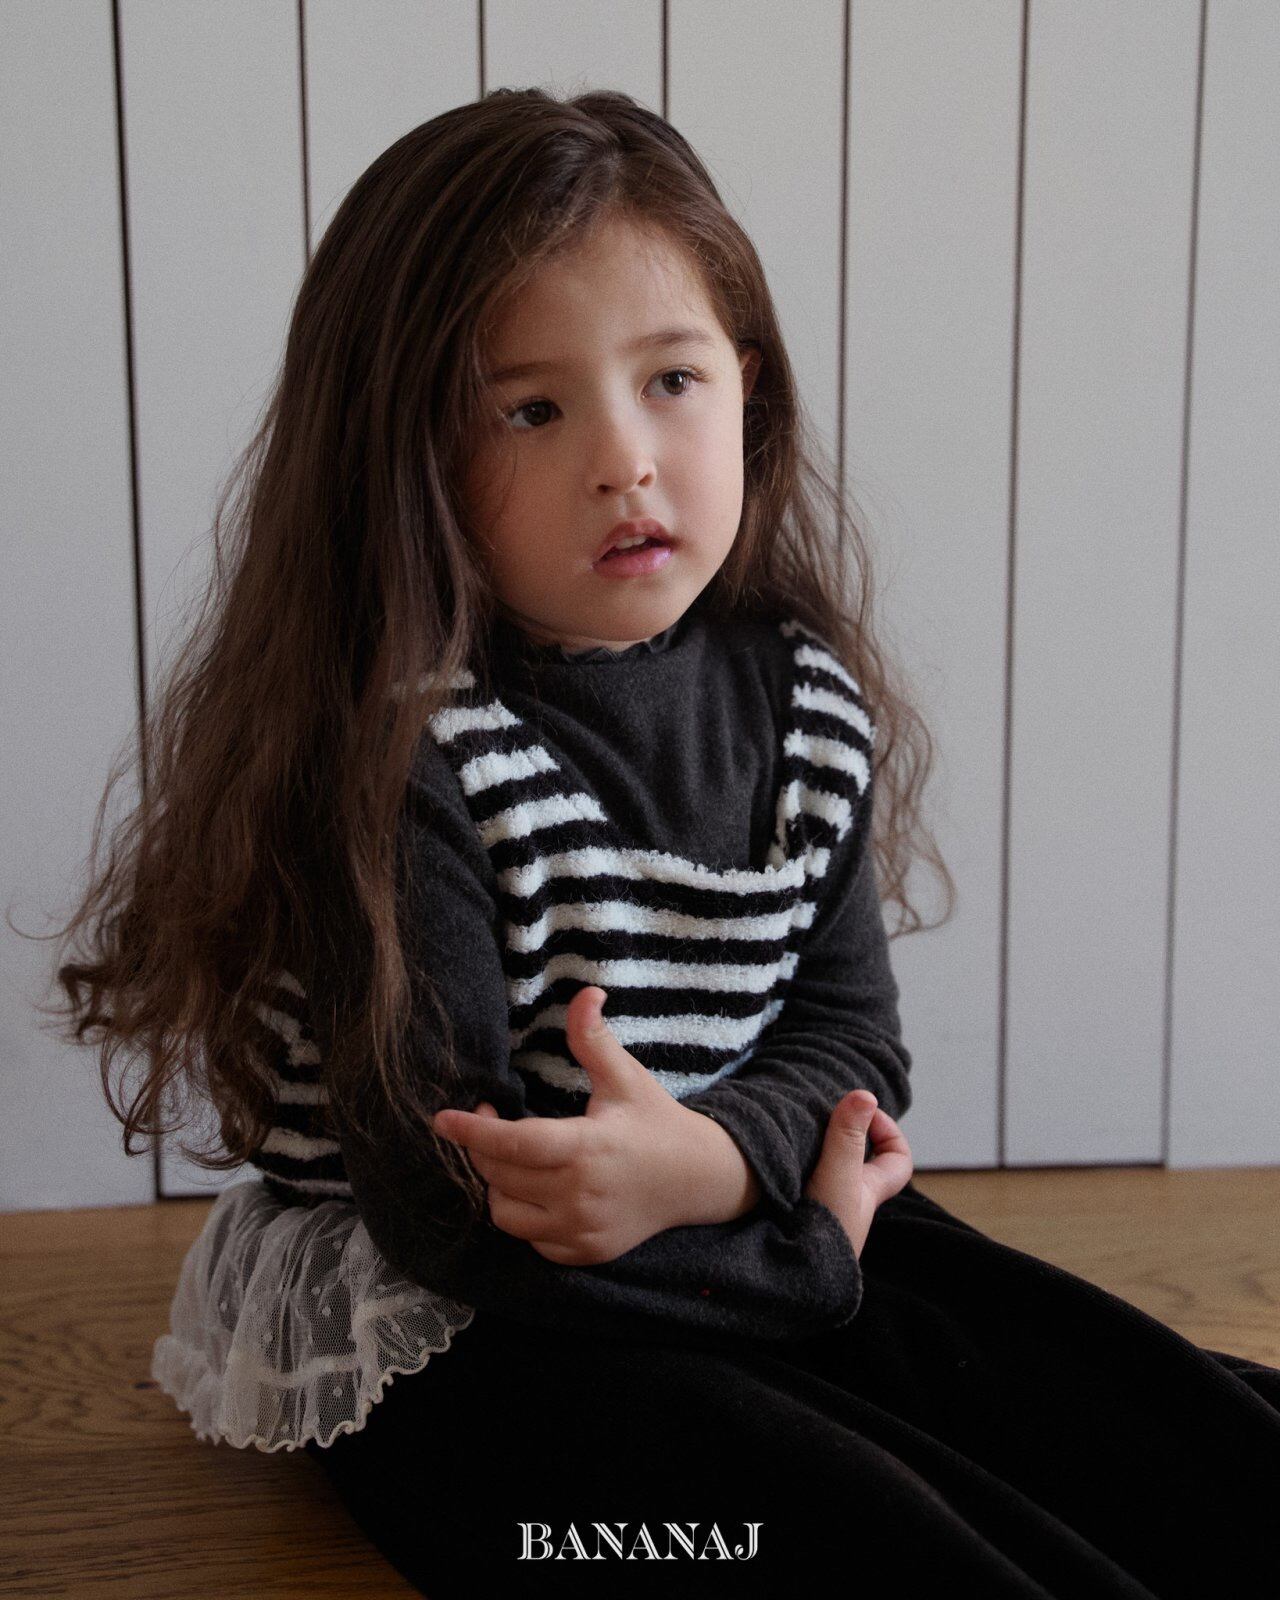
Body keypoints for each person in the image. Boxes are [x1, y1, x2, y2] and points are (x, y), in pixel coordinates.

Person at [44, 88, 1280, 1598]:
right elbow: (448, 1200)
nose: (625, 460)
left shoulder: (802, 706)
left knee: (1091, 1388)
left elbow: (849, 1043)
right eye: (532, 410)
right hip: (476, 1299)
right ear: (408, 458)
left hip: (714, 1208)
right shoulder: (413, 760)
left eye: (673, 380)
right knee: (806, 1513)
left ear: (746, 387)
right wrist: (790, 1258)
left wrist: (715, 1170)